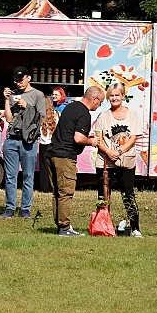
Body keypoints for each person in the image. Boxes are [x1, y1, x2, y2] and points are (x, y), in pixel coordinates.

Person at [46, 86, 105, 236]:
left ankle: (60, 225)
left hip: (52, 153)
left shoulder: (71, 107)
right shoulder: (84, 114)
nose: (100, 105)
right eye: (101, 102)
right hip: (65, 155)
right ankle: (65, 228)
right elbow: (78, 138)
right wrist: (92, 142)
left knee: (57, 193)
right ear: (95, 99)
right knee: (66, 192)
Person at [92, 82, 142, 237]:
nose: (114, 98)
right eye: (111, 96)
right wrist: (108, 151)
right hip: (105, 161)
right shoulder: (103, 116)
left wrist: (119, 151)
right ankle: (104, 225)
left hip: (126, 160)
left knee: (128, 194)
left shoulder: (132, 114)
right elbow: (98, 138)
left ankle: (135, 228)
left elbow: (133, 137)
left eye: (117, 95)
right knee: (104, 194)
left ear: (123, 96)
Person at [0, 66, 50, 218]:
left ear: (28, 78)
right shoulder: (13, 94)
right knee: (10, 176)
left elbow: (42, 118)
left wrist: (27, 106)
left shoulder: (38, 95)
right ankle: (10, 208)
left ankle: (25, 209)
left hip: (29, 141)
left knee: (28, 175)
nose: (18, 83)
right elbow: (9, 119)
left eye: (21, 80)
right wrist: (7, 101)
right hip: (12, 139)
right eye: (16, 80)